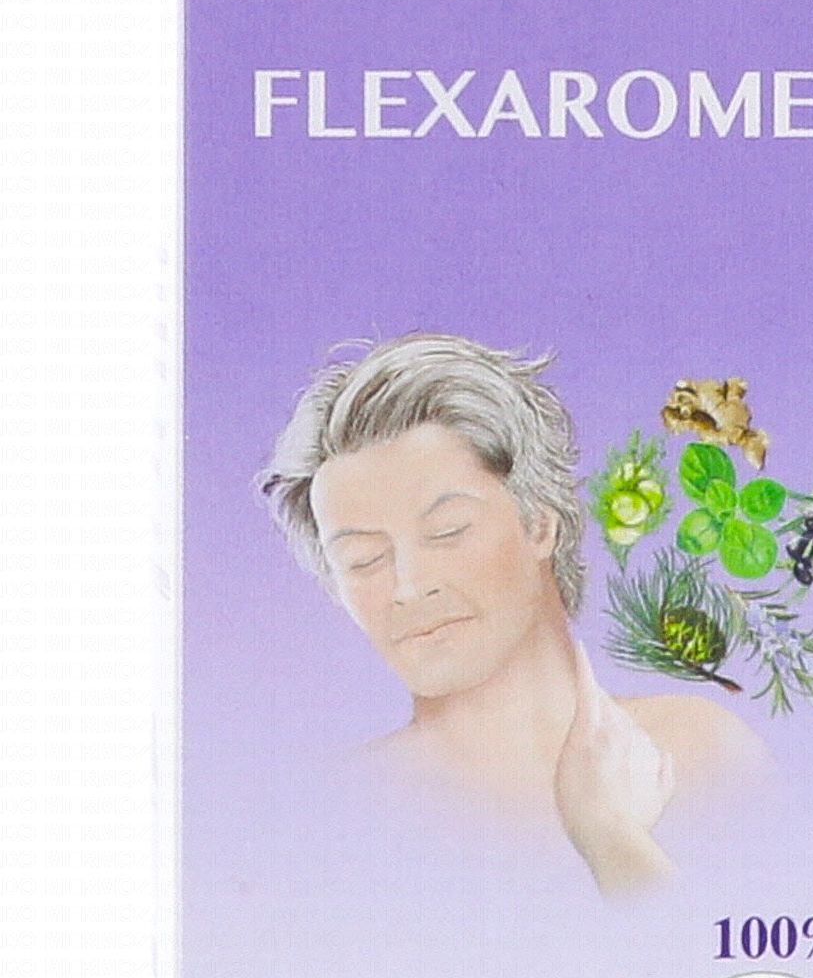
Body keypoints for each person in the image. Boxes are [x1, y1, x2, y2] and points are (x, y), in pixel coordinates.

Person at [259, 332, 767, 896]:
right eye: (363, 559)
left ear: (541, 525)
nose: (408, 586)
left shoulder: (701, 753)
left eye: (447, 532)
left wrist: (610, 839)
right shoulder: (338, 811)